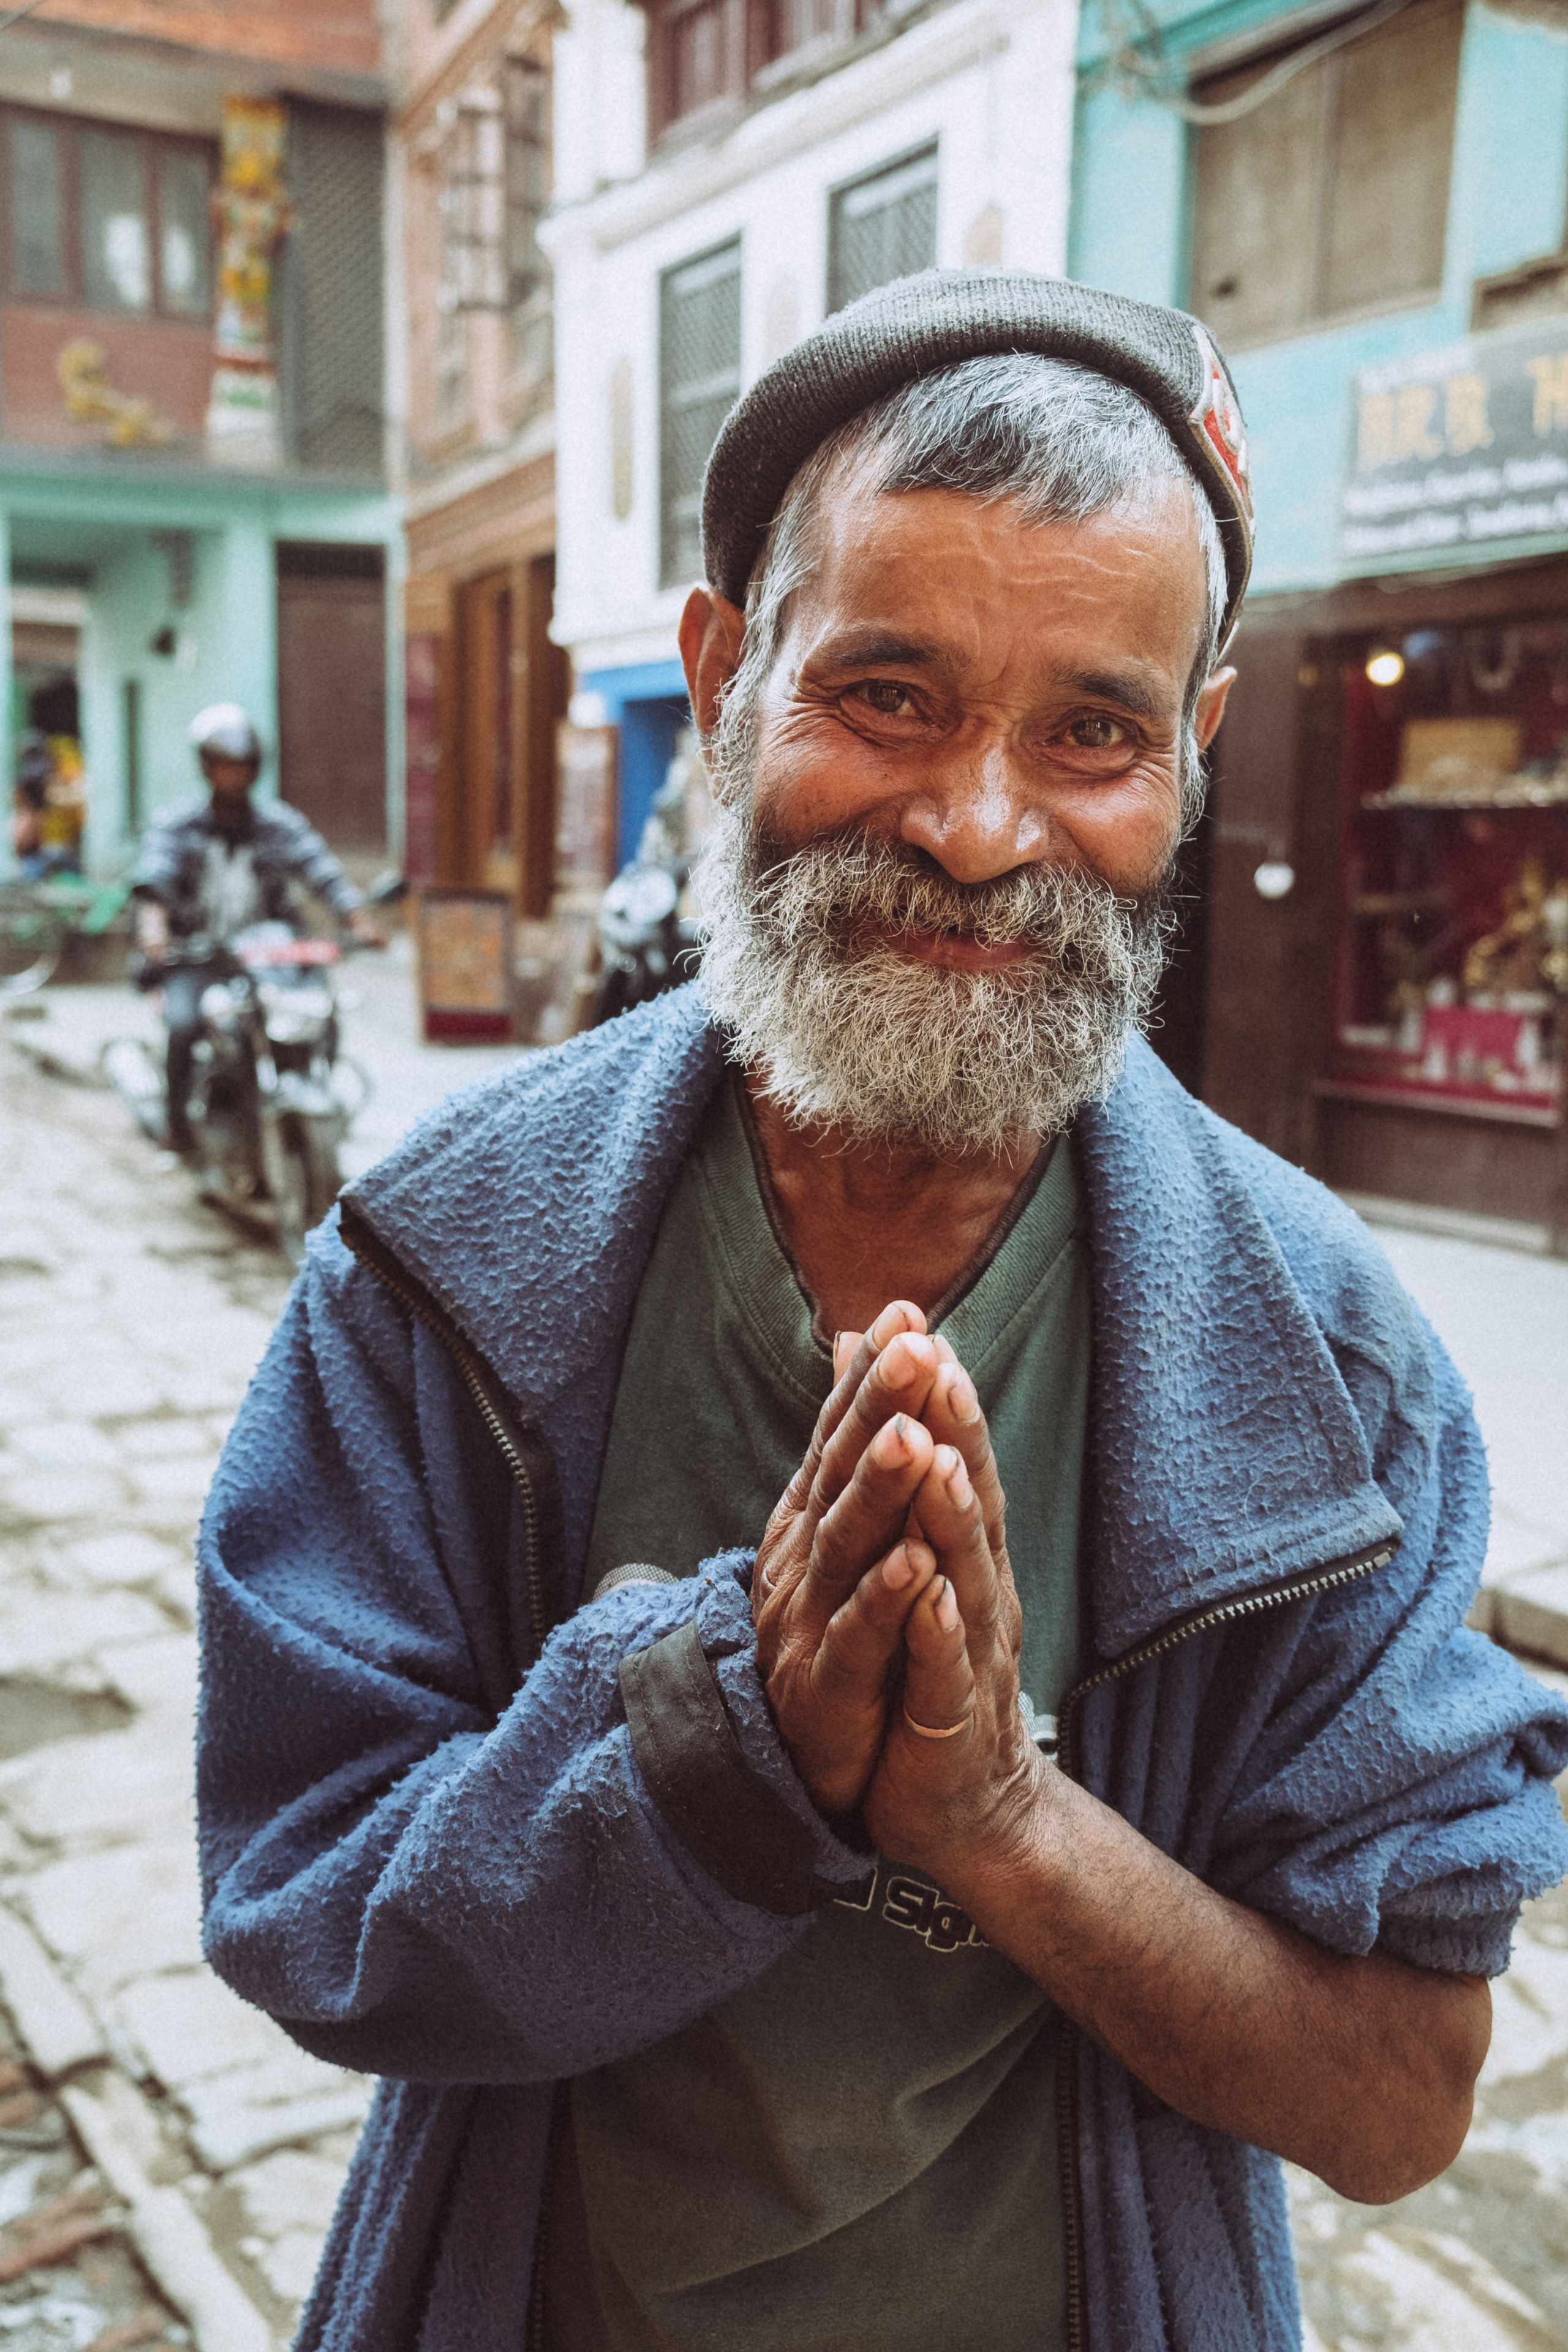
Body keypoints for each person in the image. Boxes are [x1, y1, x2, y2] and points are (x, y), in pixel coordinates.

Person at [197, 276, 1568, 2352]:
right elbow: (308, 1914)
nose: (980, 829)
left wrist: (997, 1823)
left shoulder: (1336, 1368)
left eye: (1092, 733)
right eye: (892, 694)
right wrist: (720, 1745)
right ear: (728, 674)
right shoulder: (444, 1266)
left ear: (1192, 756)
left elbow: (1392, 2102)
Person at [130, 703, 384, 1154]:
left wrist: (359, 921)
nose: (235, 776)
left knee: (318, 1015)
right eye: (225, 766)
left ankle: (306, 1090)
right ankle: (178, 1131)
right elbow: (157, 878)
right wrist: (155, 927)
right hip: (199, 956)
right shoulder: (177, 824)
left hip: (271, 957)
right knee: (185, 1026)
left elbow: (321, 871)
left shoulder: (279, 824)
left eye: (243, 766)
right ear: (207, 768)